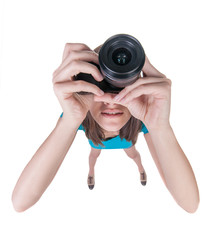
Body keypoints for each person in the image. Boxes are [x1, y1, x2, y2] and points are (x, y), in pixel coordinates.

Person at [12, 43, 200, 213]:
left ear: (140, 90)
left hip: (125, 142)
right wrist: (70, 119)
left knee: (134, 155)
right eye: (99, 87)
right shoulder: (80, 116)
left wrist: (159, 125)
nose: (111, 102)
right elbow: (20, 202)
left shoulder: (143, 119)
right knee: (93, 157)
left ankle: (141, 169)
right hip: (98, 143)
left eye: (121, 88)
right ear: (83, 90)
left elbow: (190, 204)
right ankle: (91, 173)